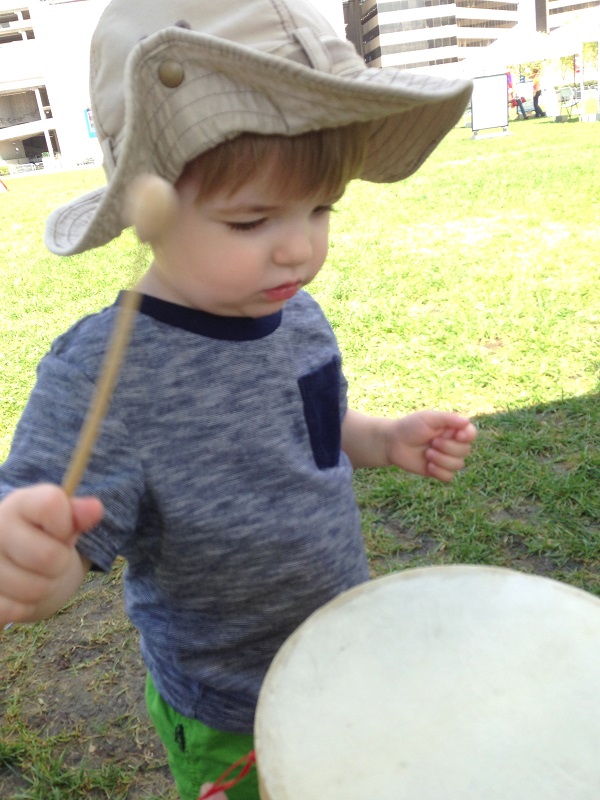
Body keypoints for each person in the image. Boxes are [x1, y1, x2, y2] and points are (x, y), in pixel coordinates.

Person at [0, 1, 476, 798]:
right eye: (252, 219)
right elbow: (47, 534)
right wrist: (37, 572)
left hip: (338, 657)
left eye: (321, 208)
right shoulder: (105, 375)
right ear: (144, 207)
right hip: (231, 712)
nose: (299, 247)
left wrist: (380, 438)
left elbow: (312, 428)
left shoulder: (297, 315)